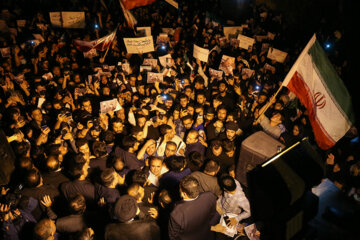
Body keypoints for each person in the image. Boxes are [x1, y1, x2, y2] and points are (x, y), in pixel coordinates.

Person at [168, 176, 218, 240]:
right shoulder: (209, 196)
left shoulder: (176, 213)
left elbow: (173, 236)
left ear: (184, 194)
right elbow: (212, 214)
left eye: (179, 188)